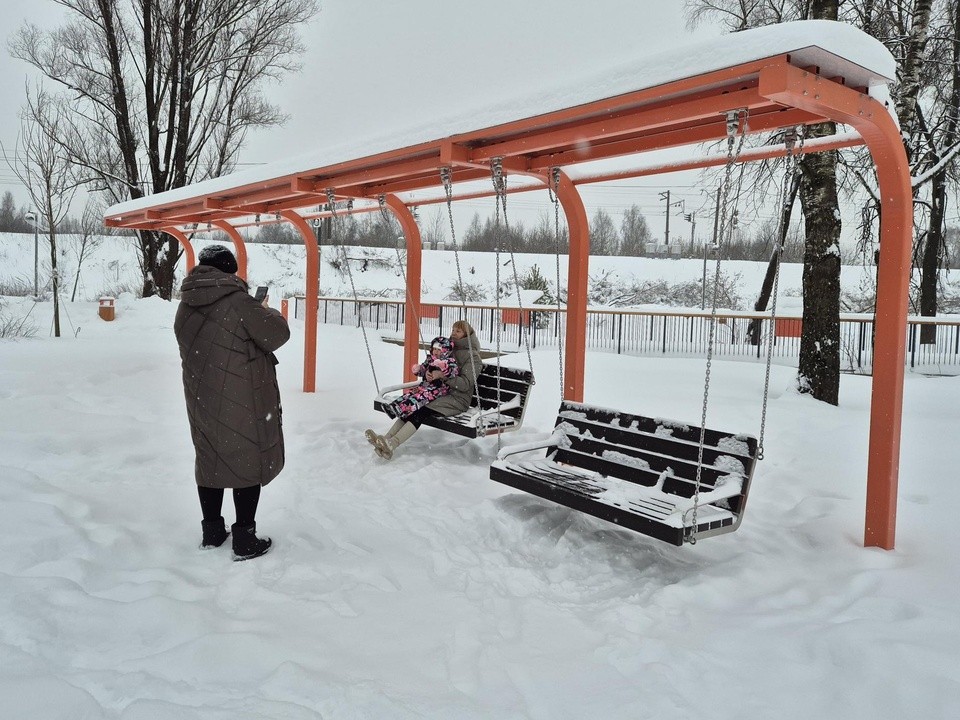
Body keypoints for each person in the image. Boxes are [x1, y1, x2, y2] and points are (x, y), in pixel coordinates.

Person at [174, 244, 290, 561]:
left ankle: (212, 532)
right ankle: (245, 538)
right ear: (230, 270)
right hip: (241, 394)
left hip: (201, 394)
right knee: (246, 460)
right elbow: (276, 335)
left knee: (210, 457)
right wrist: (269, 311)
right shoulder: (239, 302)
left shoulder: (186, 304)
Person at [366, 319, 483, 460]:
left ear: (467, 334)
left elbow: (466, 384)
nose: (454, 333)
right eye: (453, 330)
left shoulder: (473, 357)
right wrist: (428, 373)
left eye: (458, 331)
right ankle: (385, 439)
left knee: (421, 409)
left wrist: (443, 376)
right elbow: (435, 365)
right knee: (413, 406)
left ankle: (393, 443)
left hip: (457, 398)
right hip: (439, 392)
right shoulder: (448, 349)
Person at [383, 336, 459, 419]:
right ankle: (393, 407)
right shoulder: (430, 359)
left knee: (419, 398)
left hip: (439, 389)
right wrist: (419, 369)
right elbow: (424, 369)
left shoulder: (449, 361)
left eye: (439, 350)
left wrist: (444, 367)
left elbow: (453, 372)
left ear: (445, 351)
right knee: (411, 393)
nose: (436, 352)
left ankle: (402, 409)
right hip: (426, 385)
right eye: (434, 349)